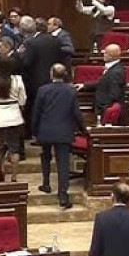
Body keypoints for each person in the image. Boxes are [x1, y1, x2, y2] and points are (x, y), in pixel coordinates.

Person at [32, 64, 87, 209]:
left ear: (51, 74)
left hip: (46, 130)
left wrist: (34, 130)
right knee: (63, 163)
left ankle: (46, 183)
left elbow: (36, 112)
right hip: (64, 131)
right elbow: (76, 113)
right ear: (65, 74)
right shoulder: (70, 91)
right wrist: (85, 131)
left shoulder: (43, 90)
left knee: (45, 156)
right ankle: (63, 195)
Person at [0, 57, 27, 176]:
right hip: (15, 118)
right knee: (14, 149)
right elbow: (23, 100)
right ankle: (14, 177)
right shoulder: (18, 80)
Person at [75, 44, 126, 120]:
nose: (103, 54)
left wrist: (104, 109)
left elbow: (114, 95)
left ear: (111, 56)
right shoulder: (114, 68)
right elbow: (103, 83)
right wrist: (84, 86)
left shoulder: (116, 72)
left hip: (104, 110)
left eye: (105, 52)